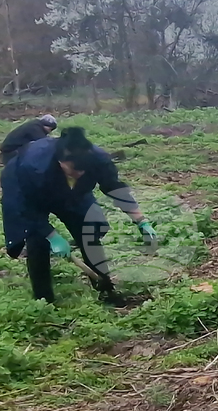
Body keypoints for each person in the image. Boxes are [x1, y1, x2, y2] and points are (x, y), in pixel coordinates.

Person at [1, 127, 157, 306]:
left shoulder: (98, 159)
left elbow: (114, 188)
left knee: (89, 232)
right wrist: (52, 236)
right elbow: (26, 207)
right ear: (61, 161)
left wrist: (141, 220)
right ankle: (44, 299)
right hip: (32, 196)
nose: (79, 174)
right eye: (73, 170)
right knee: (37, 241)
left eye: (83, 171)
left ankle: (105, 289)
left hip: (73, 195)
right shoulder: (32, 164)